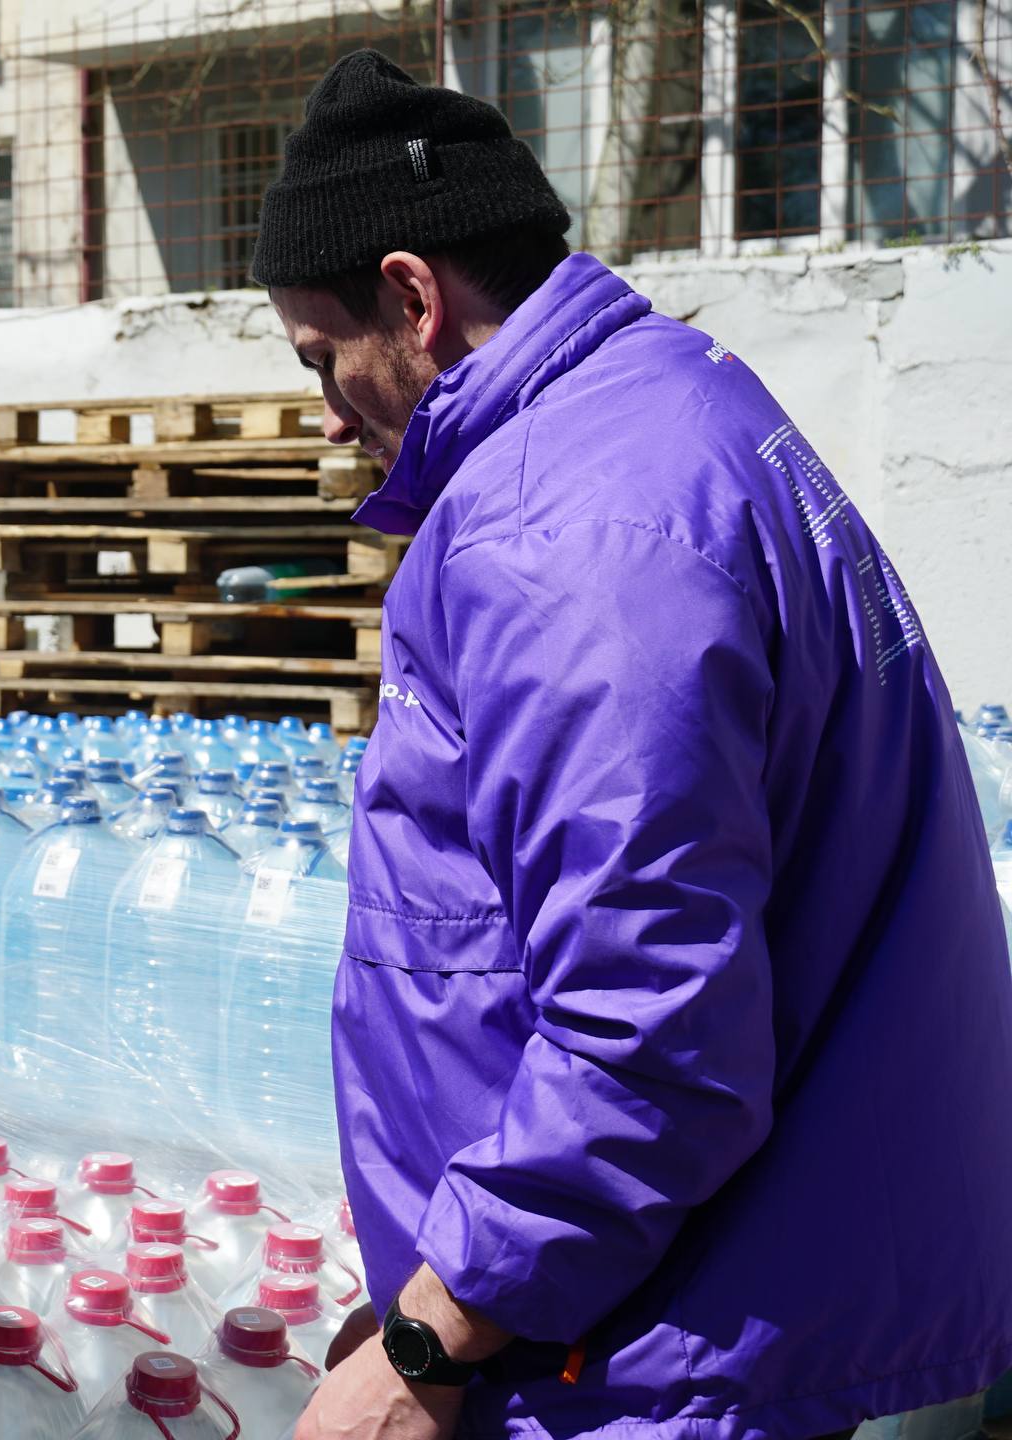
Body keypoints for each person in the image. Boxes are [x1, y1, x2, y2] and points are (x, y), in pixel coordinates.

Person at [250, 51, 1012, 1440]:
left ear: (415, 300)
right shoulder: (674, 412)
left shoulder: (571, 531)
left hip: (657, 1356)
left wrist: (434, 1336)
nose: (324, 416)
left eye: (323, 360)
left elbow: (650, 1032)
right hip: (672, 1307)